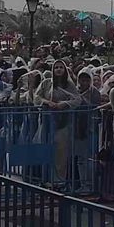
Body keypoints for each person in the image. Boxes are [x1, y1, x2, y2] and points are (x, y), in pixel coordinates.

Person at [34, 59, 81, 187]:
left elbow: (77, 100)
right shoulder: (46, 83)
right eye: (56, 67)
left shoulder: (69, 85)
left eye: (61, 67)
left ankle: (59, 181)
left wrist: (64, 104)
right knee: (45, 150)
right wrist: (47, 102)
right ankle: (45, 179)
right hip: (46, 122)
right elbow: (36, 97)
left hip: (63, 122)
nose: (59, 69)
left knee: (61, 153)